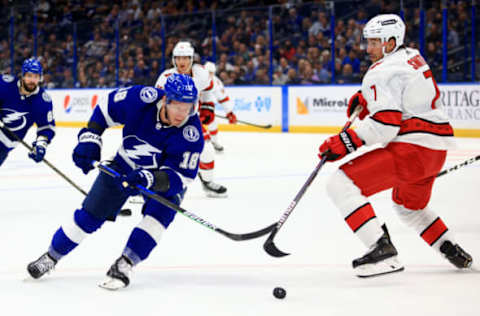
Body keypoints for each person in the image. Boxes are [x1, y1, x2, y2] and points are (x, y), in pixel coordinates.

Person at [318, 14, 472, 278]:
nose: (368, 49)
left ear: (390, 43)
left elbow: (385, 125)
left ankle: (382, 251)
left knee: (340, 184)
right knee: (408, 207)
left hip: (412, 150)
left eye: (374, 43)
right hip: (435, 152)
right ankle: (449, 246)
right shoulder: (412, 56)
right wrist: (368, 99)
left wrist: (346, 141)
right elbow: (404, 97)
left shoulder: (381, 71)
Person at [27, 74, 203, 290]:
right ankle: (51, 256)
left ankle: (125, 263)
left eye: (188, 107)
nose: (183, 114)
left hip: (161, 180)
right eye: (178, 106)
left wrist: (150, 178)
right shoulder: (141, 99)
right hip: (123, 164)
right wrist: (90, 136)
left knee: (159, 217)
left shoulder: (192, 133)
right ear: (166, 99)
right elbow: (106, 107)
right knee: (88, 216)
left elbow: (181, 177)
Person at [155, 41, 228, 198]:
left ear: (191, 59)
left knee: (207, 149)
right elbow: (157, 103)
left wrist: (208, 106)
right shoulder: (165, 77)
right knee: (157, 152)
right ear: (174, 60)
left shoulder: (201, 73)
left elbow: (208, 90)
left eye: (186, 58)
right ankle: (145, 186)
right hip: (168, 122)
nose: (182, 62)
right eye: (178, 58)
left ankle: (208, 183)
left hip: (189, 120)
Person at [0, 57, 55, 166]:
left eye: (36, 77)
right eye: (29, 76)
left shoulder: (43, 101)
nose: (32, 80)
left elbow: (46, 127)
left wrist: (41, 145)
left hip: (4, 145)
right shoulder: (5, 85)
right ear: (23, 75)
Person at [203, 61, 237, 152]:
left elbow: (223, 98)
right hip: (193, 106)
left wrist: (229, 112)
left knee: (212, 124)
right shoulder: (196, 78)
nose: (210, 75)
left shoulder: (216, 82)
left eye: (212, 73)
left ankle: (214, 142)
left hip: (206, 106)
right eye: (208, 72)